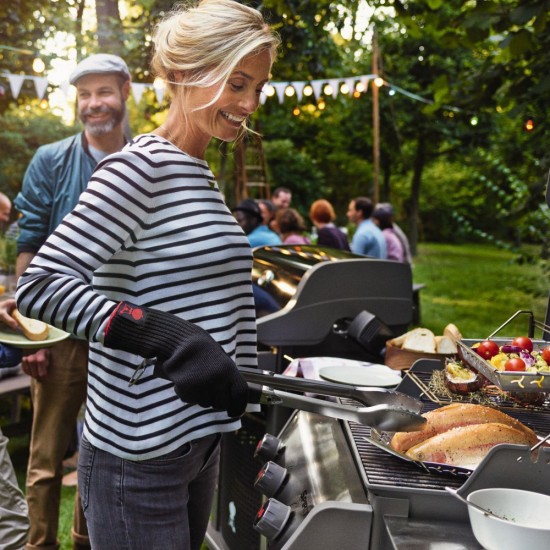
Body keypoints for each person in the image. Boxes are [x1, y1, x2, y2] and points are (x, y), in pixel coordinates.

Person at [15, 2, 280, 549]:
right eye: (237, 82)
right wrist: (167, 337)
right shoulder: (141, 167)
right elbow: (39, 287)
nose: (250, 104)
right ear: (184, 75)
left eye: (258, 87)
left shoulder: (196, 171)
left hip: (193, 439)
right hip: (137, 454)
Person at [13, 52, 131, 550]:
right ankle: (39, 544)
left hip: (121, 331)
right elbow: (28, 245)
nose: (93, 104)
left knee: (101, 455)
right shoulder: (52, 160)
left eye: (103, 91)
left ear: (126, 91)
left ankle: (86, 542)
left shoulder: (146, 156)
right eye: (84, 95)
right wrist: (31, 335)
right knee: (44, 458)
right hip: (58, 333)